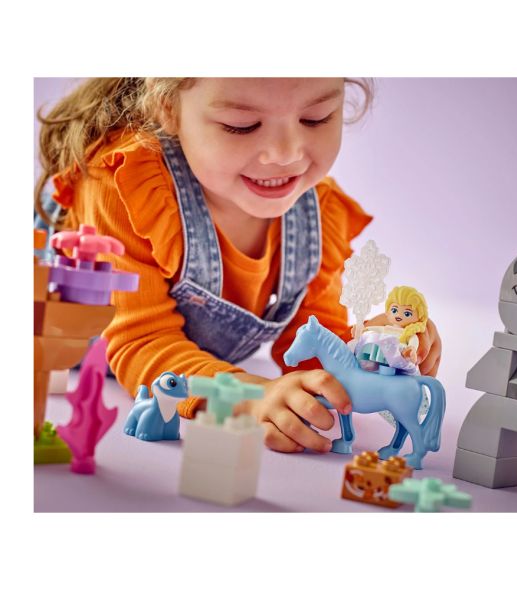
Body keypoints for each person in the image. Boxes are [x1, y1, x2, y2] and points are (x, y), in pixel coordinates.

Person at [35, 78, 441, 454]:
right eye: (241, 125)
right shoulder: (124, 182)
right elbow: (143, 340)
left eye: (316, 118)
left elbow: (314, 339)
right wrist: (247, 396)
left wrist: (373, 349)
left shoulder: (318, 211)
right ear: (168, 107)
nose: (285, 153)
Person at [355, 285, 428, 375]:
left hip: (397, 353)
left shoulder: (409, 334)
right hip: (382, 352)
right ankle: (371, 364)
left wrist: (412, 349)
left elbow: (413, 342)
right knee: (376, 340)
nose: (399, 315)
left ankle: (390, 370)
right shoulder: (387, 328)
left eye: (407, 313)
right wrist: (365, 329)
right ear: (388, 312)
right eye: (394, 310)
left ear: (419, 317)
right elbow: (378, 329)